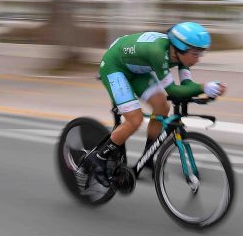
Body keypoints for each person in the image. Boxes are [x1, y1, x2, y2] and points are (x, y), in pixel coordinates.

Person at [76, 21, 226, 191]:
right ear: (180, 48)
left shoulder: (181, 55)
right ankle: (97, 159)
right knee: (135, 120)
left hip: (136, 69)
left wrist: (207, 90)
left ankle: (147, 157)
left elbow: (186, 85)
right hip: (115, 66)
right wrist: (203, 87)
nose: (197, 58)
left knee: (162, 107)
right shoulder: (158, 52)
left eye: (200, 53)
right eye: (195, 53)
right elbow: (173, 90)